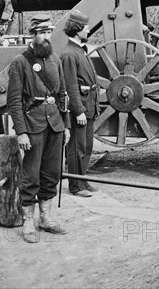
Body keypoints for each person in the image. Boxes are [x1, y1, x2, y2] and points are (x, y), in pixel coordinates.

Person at [7, 17, 70, 243]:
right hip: (33, 126)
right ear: (32, 34)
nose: (46, 37)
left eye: (49, 32)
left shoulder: (55, 59)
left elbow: (62, 94)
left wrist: (66, 126)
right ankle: (28, 222)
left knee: (51, 172)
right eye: (42, 32)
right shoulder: (20, 62)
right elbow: (14, 101)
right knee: (31, 174)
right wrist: (21, 131)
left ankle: (46, 217)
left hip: (55, 125)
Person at [61, 10, 100, 198]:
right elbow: (70, 86)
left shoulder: (79, 50)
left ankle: (82, 180)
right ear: (77, 30)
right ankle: (75, 185)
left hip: (89, 105)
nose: (88, 30)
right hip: (81, 108)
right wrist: (78, 111)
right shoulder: (69, 54)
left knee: (87, 146)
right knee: (77, 147)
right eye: (85, 28)